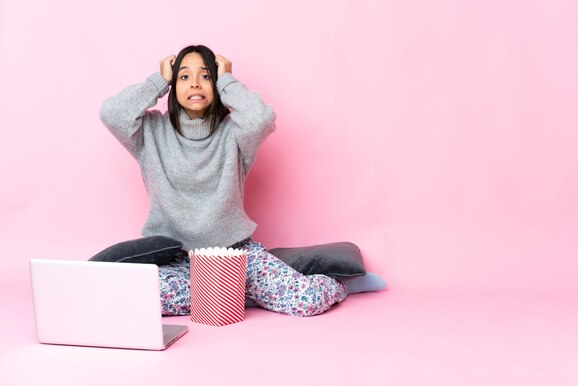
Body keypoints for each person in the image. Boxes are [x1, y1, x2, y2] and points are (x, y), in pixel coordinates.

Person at [100, 44, 386, 317]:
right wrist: (157, 81)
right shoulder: (149, 132)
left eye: (206, 76)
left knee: (307, 301)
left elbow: (261, 119)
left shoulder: (235, 133)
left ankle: (342, 285)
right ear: (173, 87)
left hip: (235, 253)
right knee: (135, 295)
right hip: (177, 261)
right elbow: (112, 114)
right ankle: (238, 294)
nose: (195, 83)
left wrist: (227, 80)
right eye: (184, 76)